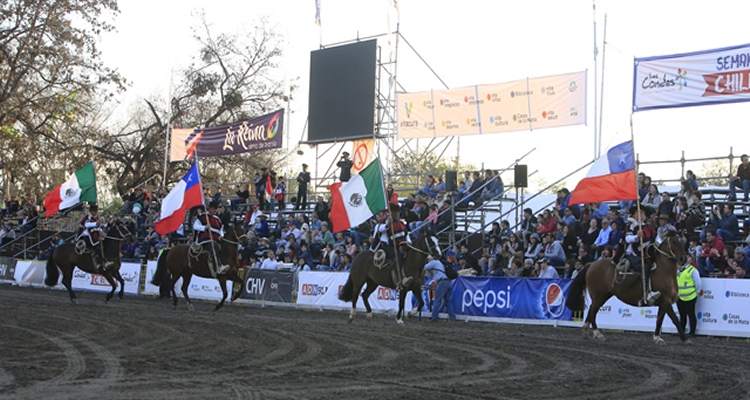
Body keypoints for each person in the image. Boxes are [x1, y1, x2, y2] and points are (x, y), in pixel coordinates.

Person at [371, 206, 412, 289]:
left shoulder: (401, 224)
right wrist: (387, 225)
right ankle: (400, 278)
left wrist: (409, 242)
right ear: (390, 212)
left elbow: (406, 234)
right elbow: (379, 229)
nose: (396, 214)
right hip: (387, 245)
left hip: (401, 244)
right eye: (394, 212)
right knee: (397, 255)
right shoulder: (384, 222)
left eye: (397, 212)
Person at [193, 201, 228, 277]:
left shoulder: (217, 219)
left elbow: (221, 229)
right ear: (210, 208)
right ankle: (218, 267)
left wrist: (221, 236)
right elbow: (195, 226)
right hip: (205, 239)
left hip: (216, 238)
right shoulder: (202, 216)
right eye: (214, 208)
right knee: (214, 246)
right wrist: (204, 227)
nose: (215, 210)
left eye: (216, 209)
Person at [77, 203, 113, 272]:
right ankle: (101, 262)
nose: (95, 212)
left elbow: (100, 226)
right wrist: (96, 223)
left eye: (96, 211)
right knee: (98, 246)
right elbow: (86, 224)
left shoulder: (97, 218)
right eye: (94, 211)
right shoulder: (88, 217)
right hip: (87, 234)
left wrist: (105, 226)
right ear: (91, 211)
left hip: (95, 233)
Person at [423, 255, 456, 321]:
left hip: (442, 282)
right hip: (448, 282)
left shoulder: (434, 262)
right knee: (447, 301)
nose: (428, 261)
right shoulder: (438, 264)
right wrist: (428, 271)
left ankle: (434, 317)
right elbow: (429, 275)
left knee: (437, 300)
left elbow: (424, 267)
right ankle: (452, 317)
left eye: (428, 260)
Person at [677, 261, 701, 338]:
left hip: (690, 296)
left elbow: (698, 283)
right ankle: (681, 331)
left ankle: (692, 332)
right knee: (682, 315)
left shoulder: (693, 270)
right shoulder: (679, 271)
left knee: (691, 314)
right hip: (680, 296)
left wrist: (697, 292)